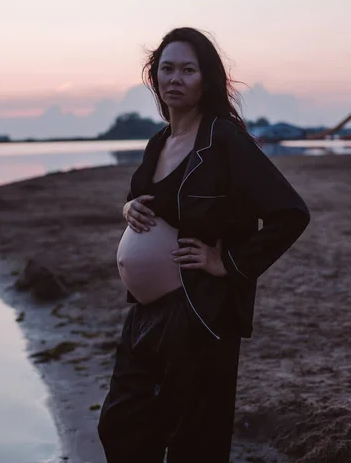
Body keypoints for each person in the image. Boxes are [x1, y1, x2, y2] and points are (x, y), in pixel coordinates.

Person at [97, 27, 310, 463]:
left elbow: (290, 213)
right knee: (122, 425)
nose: (175, 78)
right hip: (144, 315)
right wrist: (128, 209)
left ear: (206, 79)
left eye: (187, 70)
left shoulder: (224, 139)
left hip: (198, 312)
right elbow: (147, 199)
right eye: (166, 69)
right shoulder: (158, 142)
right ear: (154, 77)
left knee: (196, 440)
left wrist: (226, 262)